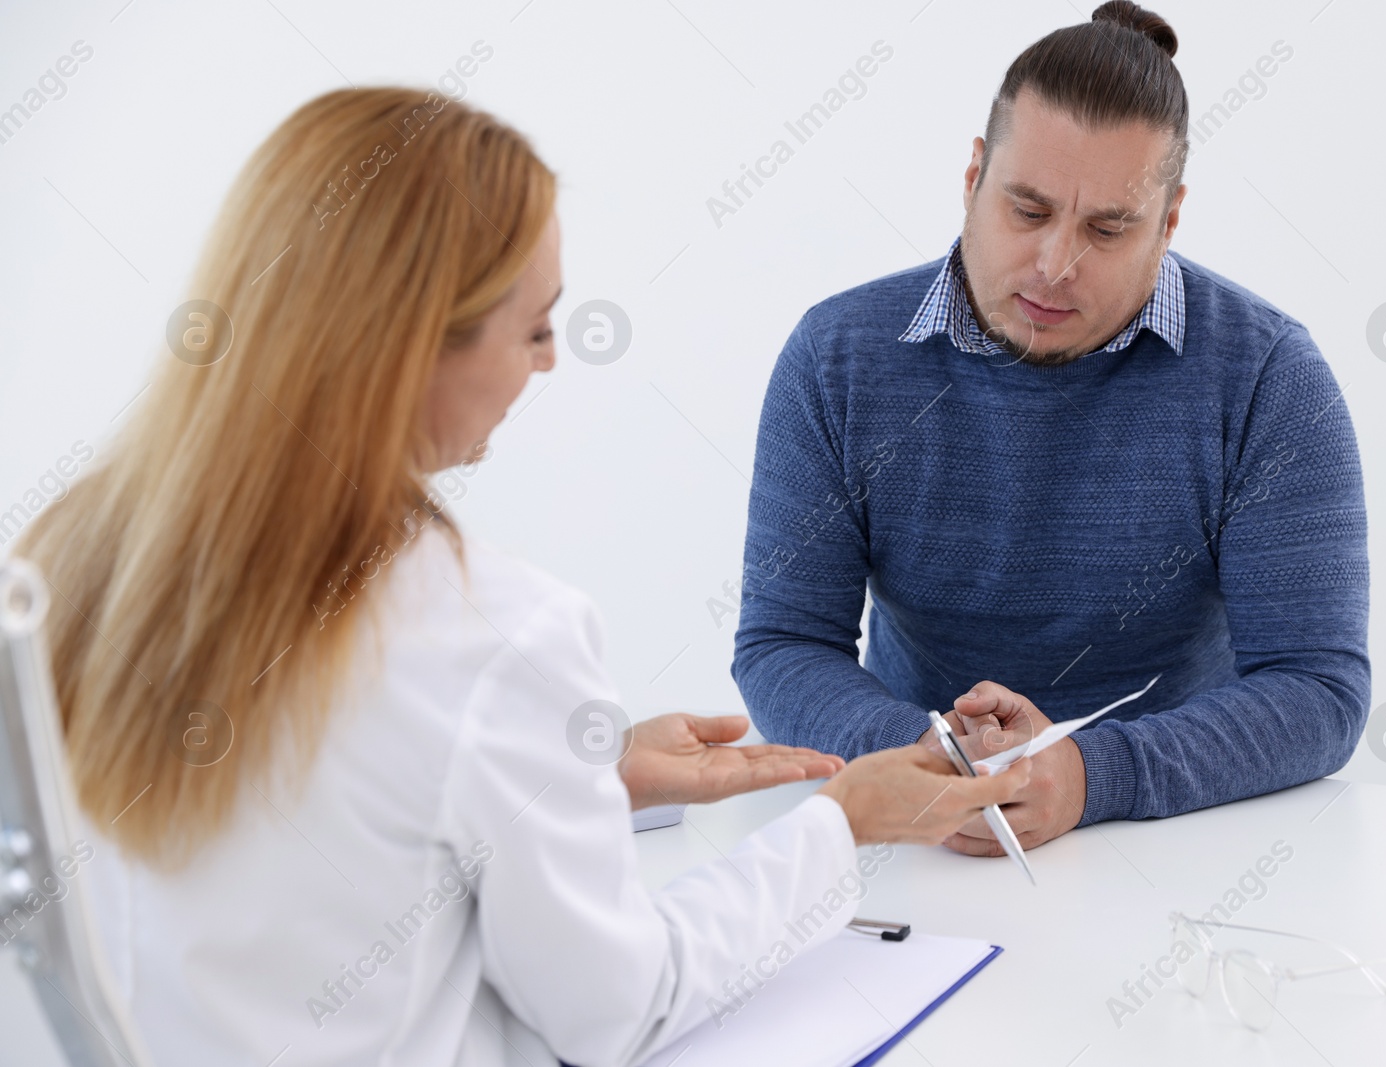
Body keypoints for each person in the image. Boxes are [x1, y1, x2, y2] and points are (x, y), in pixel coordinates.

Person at [10, 88, 1030, 1067]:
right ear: (410, 347)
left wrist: (573, 778)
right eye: (535, 326)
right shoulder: (492, 632)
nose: (548, 362)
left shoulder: (68, 553)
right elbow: (617, 1009)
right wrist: (843, 821)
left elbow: (301, 824)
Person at [733, 2, 1369, 856]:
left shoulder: (1267, 377)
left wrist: (1090, 772)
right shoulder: (835, 359)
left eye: (1108, 228)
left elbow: (1317, 688)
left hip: (1178, 843)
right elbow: (784, 641)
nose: (1054, 265)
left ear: (1170, 220)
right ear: (972, 175)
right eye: (1027, 210)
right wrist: (922, 760)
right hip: (911, 843)